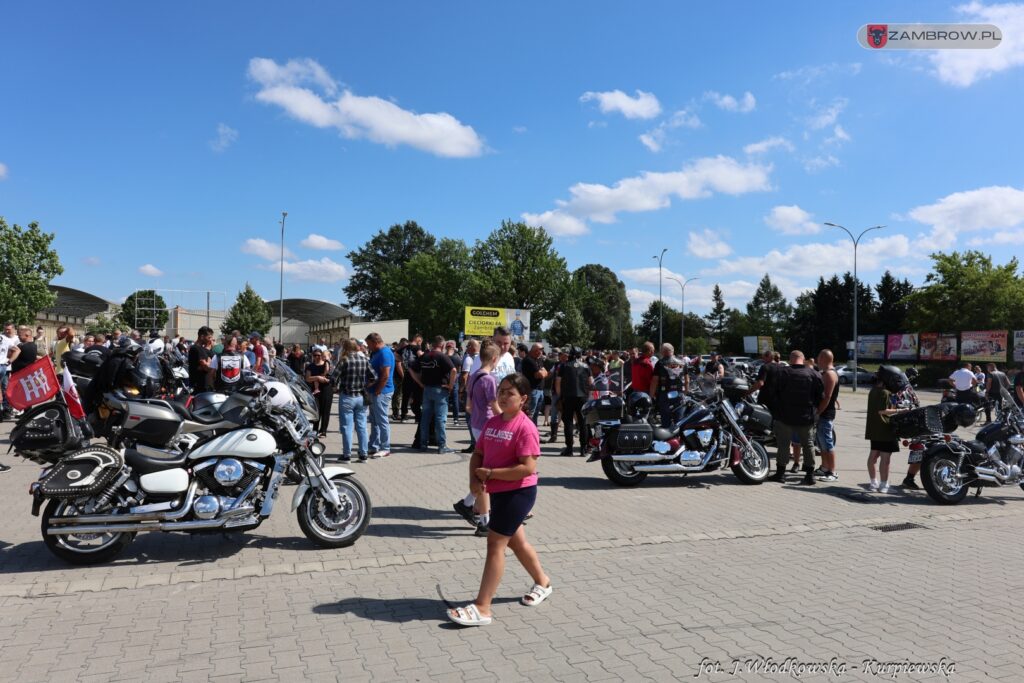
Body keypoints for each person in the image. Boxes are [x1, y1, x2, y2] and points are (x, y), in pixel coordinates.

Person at [447, 373, 552, 627]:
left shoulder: (525, 427)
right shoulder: (493, 423)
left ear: (523, 399)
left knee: (495, 543)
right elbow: (478, 453)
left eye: (510, 393)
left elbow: (527, 468)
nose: (503, 397)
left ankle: (483, 607)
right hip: (498, 492)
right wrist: (474, 480)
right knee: (517, 542)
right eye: (501, 391)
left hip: (519, 493)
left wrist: (492, 474)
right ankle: (543, 582)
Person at [454, 341, 502, 535]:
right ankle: (484, 521)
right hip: (487, 426)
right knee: (486, 474)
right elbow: (494, 404)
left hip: (476, 424)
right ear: (494, 358)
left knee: (486, 471)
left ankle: (467, 504)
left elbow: (469, 405)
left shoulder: (474, 376)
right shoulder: (489, 379)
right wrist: (506, 421)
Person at [770, 351, 824, 485]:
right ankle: (810, 475)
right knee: (808, 444)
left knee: (783, 444)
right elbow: (820, 396)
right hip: (806, 416)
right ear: (803, 359)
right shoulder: (814, 373)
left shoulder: (782, 372)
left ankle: (780, 474)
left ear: (790, 359)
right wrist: (815, 410)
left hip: (785, 416)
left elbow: (773, 394)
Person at [409, 335, 457, 454]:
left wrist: (420, 383)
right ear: (442, 345)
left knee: (425, 418)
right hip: (440, 390)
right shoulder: (442, 356)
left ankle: (423, 444)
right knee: (440, 419)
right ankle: (442, 446)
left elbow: (411, 368)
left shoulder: (425, 356)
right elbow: (454, 370)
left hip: (427, 390)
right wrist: (451, 386)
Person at [334, 339, 377, 461]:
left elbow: (333, 378)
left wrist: (335, 388)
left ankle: (347, 454)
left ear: (345, 348)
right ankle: (363, 454)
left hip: (347, 396)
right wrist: (365, 385)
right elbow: (374, 377)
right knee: (362, 426)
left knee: (347, 426)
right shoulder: (364, 360)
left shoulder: (344, 361)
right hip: (361, 396)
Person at [865, 375, 900, 493]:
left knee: (873, 456)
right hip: (885, 429)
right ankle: (884, 485)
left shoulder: (872, 391)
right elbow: (883, 411)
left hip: (874, 428)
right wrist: (900, 410)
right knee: (885, 459)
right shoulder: (886, 393)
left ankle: (873, 483)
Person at [555, 347, 591, 457]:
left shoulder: (564, 366)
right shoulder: (586, 366)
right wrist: (587, 396)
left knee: (568, 422)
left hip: (568, 396)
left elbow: (558, 382)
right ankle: (583, 449)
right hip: (582, 397)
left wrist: (560, 396)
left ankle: (569, 448)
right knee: (583, 422)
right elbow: (591, 382)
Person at [365, 333, 394, 459]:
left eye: (369, 344)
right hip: (375, 391)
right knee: (374, 420)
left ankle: (385, 447)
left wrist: (378, 390)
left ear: (375, 342)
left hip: (382, 392)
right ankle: (373, 445)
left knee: (381, 420)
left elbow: (386, 374)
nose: (368, 347)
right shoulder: (377, 353)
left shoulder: (385, 353)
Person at [813, 350, 840, 482]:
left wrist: (818, 413)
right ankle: (824, 467)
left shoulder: (829, 374)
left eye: (818, 358)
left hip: (825, 414)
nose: (817, 360)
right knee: (821, 443)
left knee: (827, 444)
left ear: (824, 358)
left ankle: (832, 472)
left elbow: (827, 397)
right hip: (822, 413)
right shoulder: (825, 373)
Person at [650, 349, 686, 428]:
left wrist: (651, 395)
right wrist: (686, 391)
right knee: (679, 422)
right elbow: (687, 379)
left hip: (664, 395)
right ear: (673, 351)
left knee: (665, 421)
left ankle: (667, 438)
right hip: (679, 395)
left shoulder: (660, 363)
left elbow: (655, 381)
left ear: (663, 352)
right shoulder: (682, 362)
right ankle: (679, 438)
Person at [305, 347, 334, 438]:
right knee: (316, 410)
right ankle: (315, 429)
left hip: (326, 389)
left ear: (322, 355)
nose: (317, 357)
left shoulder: (326, 364)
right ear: (312, 356)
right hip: (315, 390)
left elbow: (329, 374)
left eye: (318, 355)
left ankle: (323, 431)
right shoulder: (310, 366)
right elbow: (307, 378)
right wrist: (317, 377)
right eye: (315, 355)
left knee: (325, 410)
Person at [460, 340, 480, 452]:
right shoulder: (483, 358)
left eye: (468, 346)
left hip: (470, 392)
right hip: (480, 392)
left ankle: (474, 443)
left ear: (472, 347)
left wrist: (461, 391)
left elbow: (464, 377)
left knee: (470, 418)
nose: (466, 348)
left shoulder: (469, 359)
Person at [521, 343, 548, 423]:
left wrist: (542, 373)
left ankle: (534, 431)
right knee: (530, 413)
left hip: (540, 390)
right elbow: (540, 374)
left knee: (536, 414)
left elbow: (545, 372)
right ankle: (526, 431)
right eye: (540, 351)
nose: (541, 353)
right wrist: (542, 373)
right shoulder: (528, 360)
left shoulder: (538, 359)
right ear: (535, 351)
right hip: (532, 390)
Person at [400, 334, 424, 423]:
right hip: (416, 374)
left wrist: (402, 361)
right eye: (420, 341)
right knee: (417, 396)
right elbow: (422, 356)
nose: (421, 343)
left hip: (407, 373)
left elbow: (395, 354)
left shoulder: (404, 348)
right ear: (418, 340)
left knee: (405, 395)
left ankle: (403, 415)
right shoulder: (416, 348)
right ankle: (417, 417)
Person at [188, 326, 214, 392]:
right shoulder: (196, 348)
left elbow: (211, 363)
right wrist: (210, 364)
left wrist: (209, 363)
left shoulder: (204, 349)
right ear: (202, 337)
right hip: (199, 386)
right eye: (209, 337)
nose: (210, 340)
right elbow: (207, 367)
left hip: (205, 385)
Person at [0, 323, 17, 420]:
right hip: (5, 368)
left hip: (12, 367)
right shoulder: (2, 337)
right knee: (4, 388)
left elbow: (18, 350)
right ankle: (5, 409)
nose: (7, 331)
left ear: (13, 329)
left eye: (8, 329)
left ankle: (8, 408)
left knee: (9, 388)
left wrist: (10, 360)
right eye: (5, 329)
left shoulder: (16, 339)